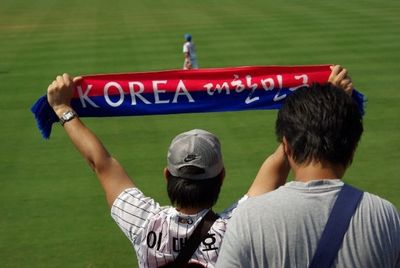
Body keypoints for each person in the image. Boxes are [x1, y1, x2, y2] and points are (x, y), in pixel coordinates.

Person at [45, 66, 359, 267]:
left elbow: (101, 164)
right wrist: (328, 101)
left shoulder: (143, 223)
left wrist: (62, 108)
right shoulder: (236, 226)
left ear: (167, 174)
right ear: (221, 176)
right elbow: (279, 165)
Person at [216, 67, 400, 267]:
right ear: (353, 147)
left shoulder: (248, 219)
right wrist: (332, 107)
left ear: (286, 146)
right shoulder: (385, 215)